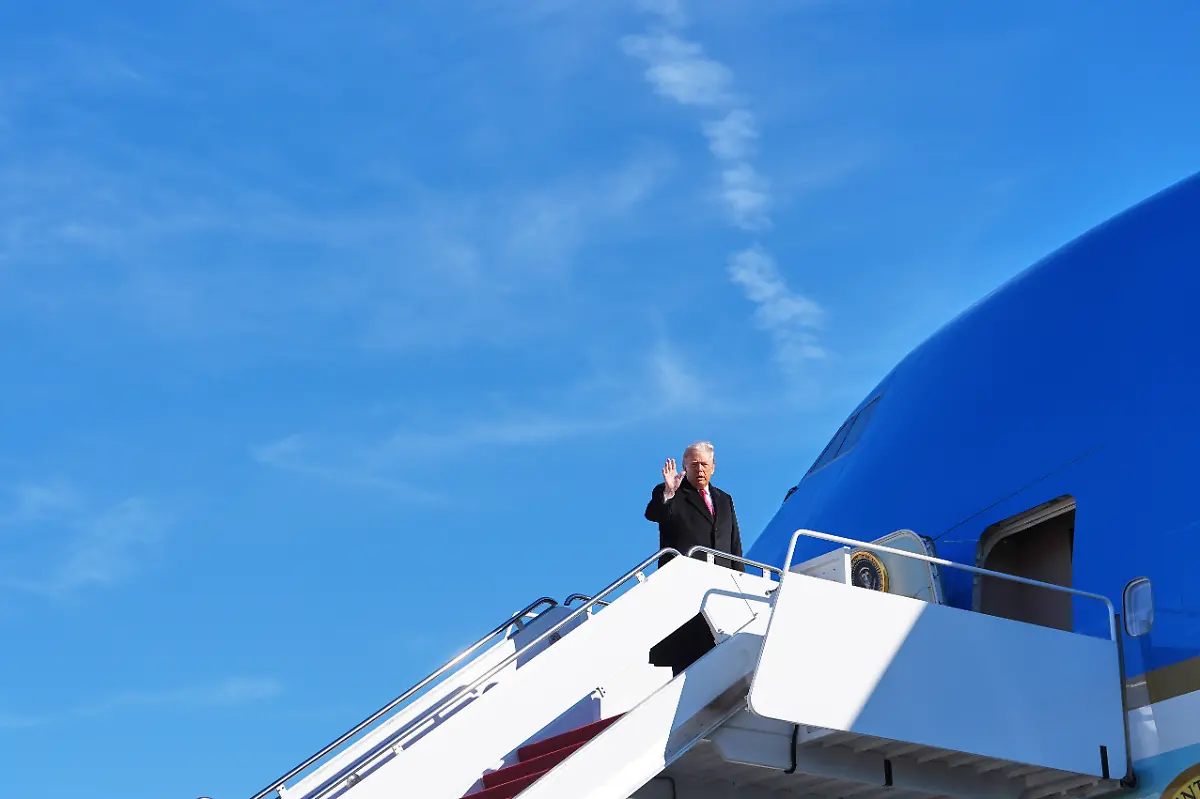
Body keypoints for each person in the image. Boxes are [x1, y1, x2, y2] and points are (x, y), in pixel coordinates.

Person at [644, 441, 744, 676]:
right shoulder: (671, 491)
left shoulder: (725, 499)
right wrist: (669, 492)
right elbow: (654, 514)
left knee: (721, 651)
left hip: (721, 584)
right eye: (694, 464)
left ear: (713, 467)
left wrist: (740, 581)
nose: (700, 469)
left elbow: (734, 544)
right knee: (688, 651)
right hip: (685, 584)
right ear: (685, 466)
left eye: (704, 464)